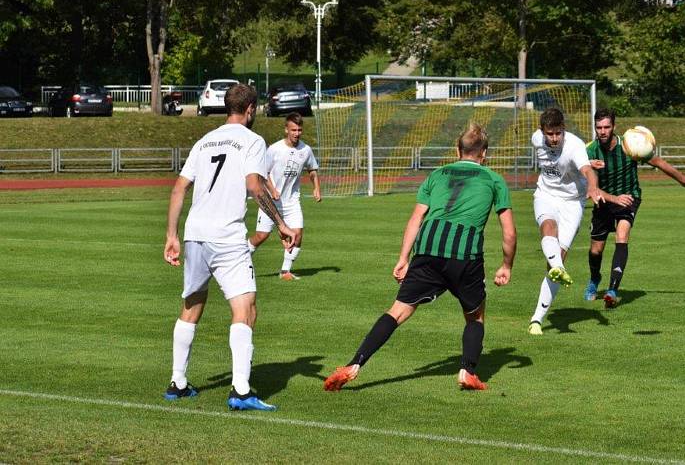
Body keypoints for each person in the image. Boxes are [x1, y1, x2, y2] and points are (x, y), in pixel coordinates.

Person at [323, 123, 516, 392]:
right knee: (475, 316)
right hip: (465, 253)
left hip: (427, 248)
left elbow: (416, 218)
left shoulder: (436, 174)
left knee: (398, 311)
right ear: (484, 153)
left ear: (457, 149)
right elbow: (509, 231)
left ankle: (354, 364)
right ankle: (468, 371)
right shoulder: (493, 179)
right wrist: (506, 265)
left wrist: (404, 257)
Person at [163, 83, 297, 412]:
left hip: (196, 233)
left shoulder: (205, 140)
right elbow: (253, 185)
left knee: (191, 306)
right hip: (227, 236)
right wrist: (281, 224)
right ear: (250, 109)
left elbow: (179, 187)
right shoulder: (252, 140)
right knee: (245, 308)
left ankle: (178, 382)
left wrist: (171, 235)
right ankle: (240, 390)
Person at [584, 109, 685, 308]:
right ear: (595, 128)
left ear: (614, 127)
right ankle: (594, 279)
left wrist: (684, 180)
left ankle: (612, 290)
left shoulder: (630, 145)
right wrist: (587, 167)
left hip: (628, 197)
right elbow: (581, 178)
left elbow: (658, 162)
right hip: (604, 200)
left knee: (622, 235)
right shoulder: (589, 151)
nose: (602, 131)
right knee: (595, 250)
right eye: (599, 127)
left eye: (606, 127)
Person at [528, 108, 604, 336]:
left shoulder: (575, 146)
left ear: (564, 130)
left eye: (558, 133)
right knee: (547, 227)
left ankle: (537, 316)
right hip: (546, 195)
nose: (554, 138)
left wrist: (592, 186)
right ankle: (537, 321)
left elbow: (587, 170)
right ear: (542, 132)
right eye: (549, 134)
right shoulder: (535, 139)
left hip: (572, 202)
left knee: (556, 258)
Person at [249, 112, 321, 281]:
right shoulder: (274, 149)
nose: (297, 133)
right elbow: (262, 174)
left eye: (299, 130)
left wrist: (316, 188)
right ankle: (242, 258)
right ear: (286, 130)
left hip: (291, 201)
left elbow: (312, 170)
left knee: (297, 235)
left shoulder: (306, 150)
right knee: (261, 236)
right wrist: (272, 189)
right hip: (269, 201)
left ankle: (285, 271)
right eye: (293, 130)